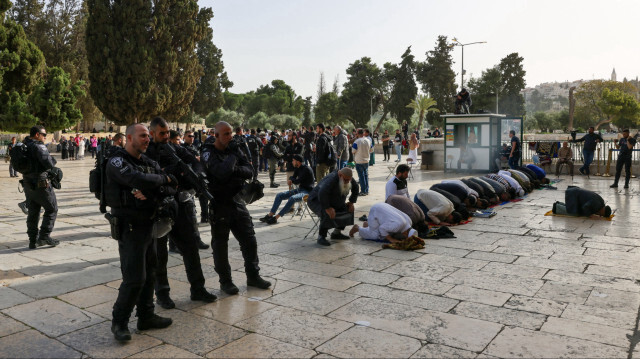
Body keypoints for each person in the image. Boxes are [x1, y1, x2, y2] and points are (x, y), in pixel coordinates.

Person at [105, 124, 176, 342]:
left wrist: (156, 187)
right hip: (130, 227)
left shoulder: (148, 162)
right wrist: (161, 180)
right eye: (143, 136)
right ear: (129, 138)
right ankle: (120, 322)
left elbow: (173, 186)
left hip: (148, 225)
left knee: (150, 273)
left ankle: (146, 316)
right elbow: (137, 179)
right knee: (135, 278)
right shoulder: (117, 161)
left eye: (148, 136)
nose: (147, 139)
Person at [146, 117, 216, 310]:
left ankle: (198, 288)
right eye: (162, 133)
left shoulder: (174, 148)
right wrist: (172, 172)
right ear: (152, 133)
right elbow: (151, 174)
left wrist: (198, 173)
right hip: (160, 207)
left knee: (191, 247)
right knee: (160, 254)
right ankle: (162, 293)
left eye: (168, 132)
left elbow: (195, 161)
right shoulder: (147, 151)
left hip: (181, 204)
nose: (166, 136)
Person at [202, 121, 271, 295]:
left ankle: (253, 276)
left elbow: (250, 170)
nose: (230, 137)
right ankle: (226, 281)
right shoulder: (208, 152)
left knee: (249, 240)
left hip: (237, 200)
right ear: (216, 135)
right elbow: (221, 172)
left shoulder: (235, 149)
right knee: (220, 245)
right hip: (220, 203)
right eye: (226, 134)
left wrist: (233, 168)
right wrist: (232, 159)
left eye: (231, 133)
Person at [21, 126, 59, 249]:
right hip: (41, 183)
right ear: (37, 134)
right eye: (44, 134)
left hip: (27, 184)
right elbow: (49, 163)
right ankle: (44, 236)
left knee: (33, 212)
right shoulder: (38, 146)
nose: (45, 137)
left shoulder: (24, 145)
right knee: (52, 209)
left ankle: (32, 240)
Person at [307, 167, 358, 246]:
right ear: (340, 175)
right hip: (316, 200)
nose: (347, 181)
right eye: (345, 180)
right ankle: (321, 237)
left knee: (347, 209)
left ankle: (336, 233)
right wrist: (327, 208)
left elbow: (356, 187)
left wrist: (351, 202)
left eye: (349, 180)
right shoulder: (331, 179)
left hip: (333, 200)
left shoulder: (347, 177)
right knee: (326, 212)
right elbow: (322, 193)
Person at [259, 155, 314, 225]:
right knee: (279, 195)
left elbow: (297, 181)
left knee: (292, 198)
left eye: (293, 160)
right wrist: (291, 179)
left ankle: (276, 217)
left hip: (307, 192)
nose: (292, 162)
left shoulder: (306, 169)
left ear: (298, 162)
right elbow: (293, 177)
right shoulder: (297, 168)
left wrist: (291, 180)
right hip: (300, 189)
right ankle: (270, 214)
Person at [348, 203, 416, 242]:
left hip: (381, 208)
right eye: (405, 237)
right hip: (375, 212)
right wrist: (390, 239)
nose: (403, 237)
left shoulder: (409, 222)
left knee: (387, 232)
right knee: (376, 236)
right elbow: (382, 228)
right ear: (406, 233)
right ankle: (357, 228)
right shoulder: (397, 226)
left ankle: (368, 225)